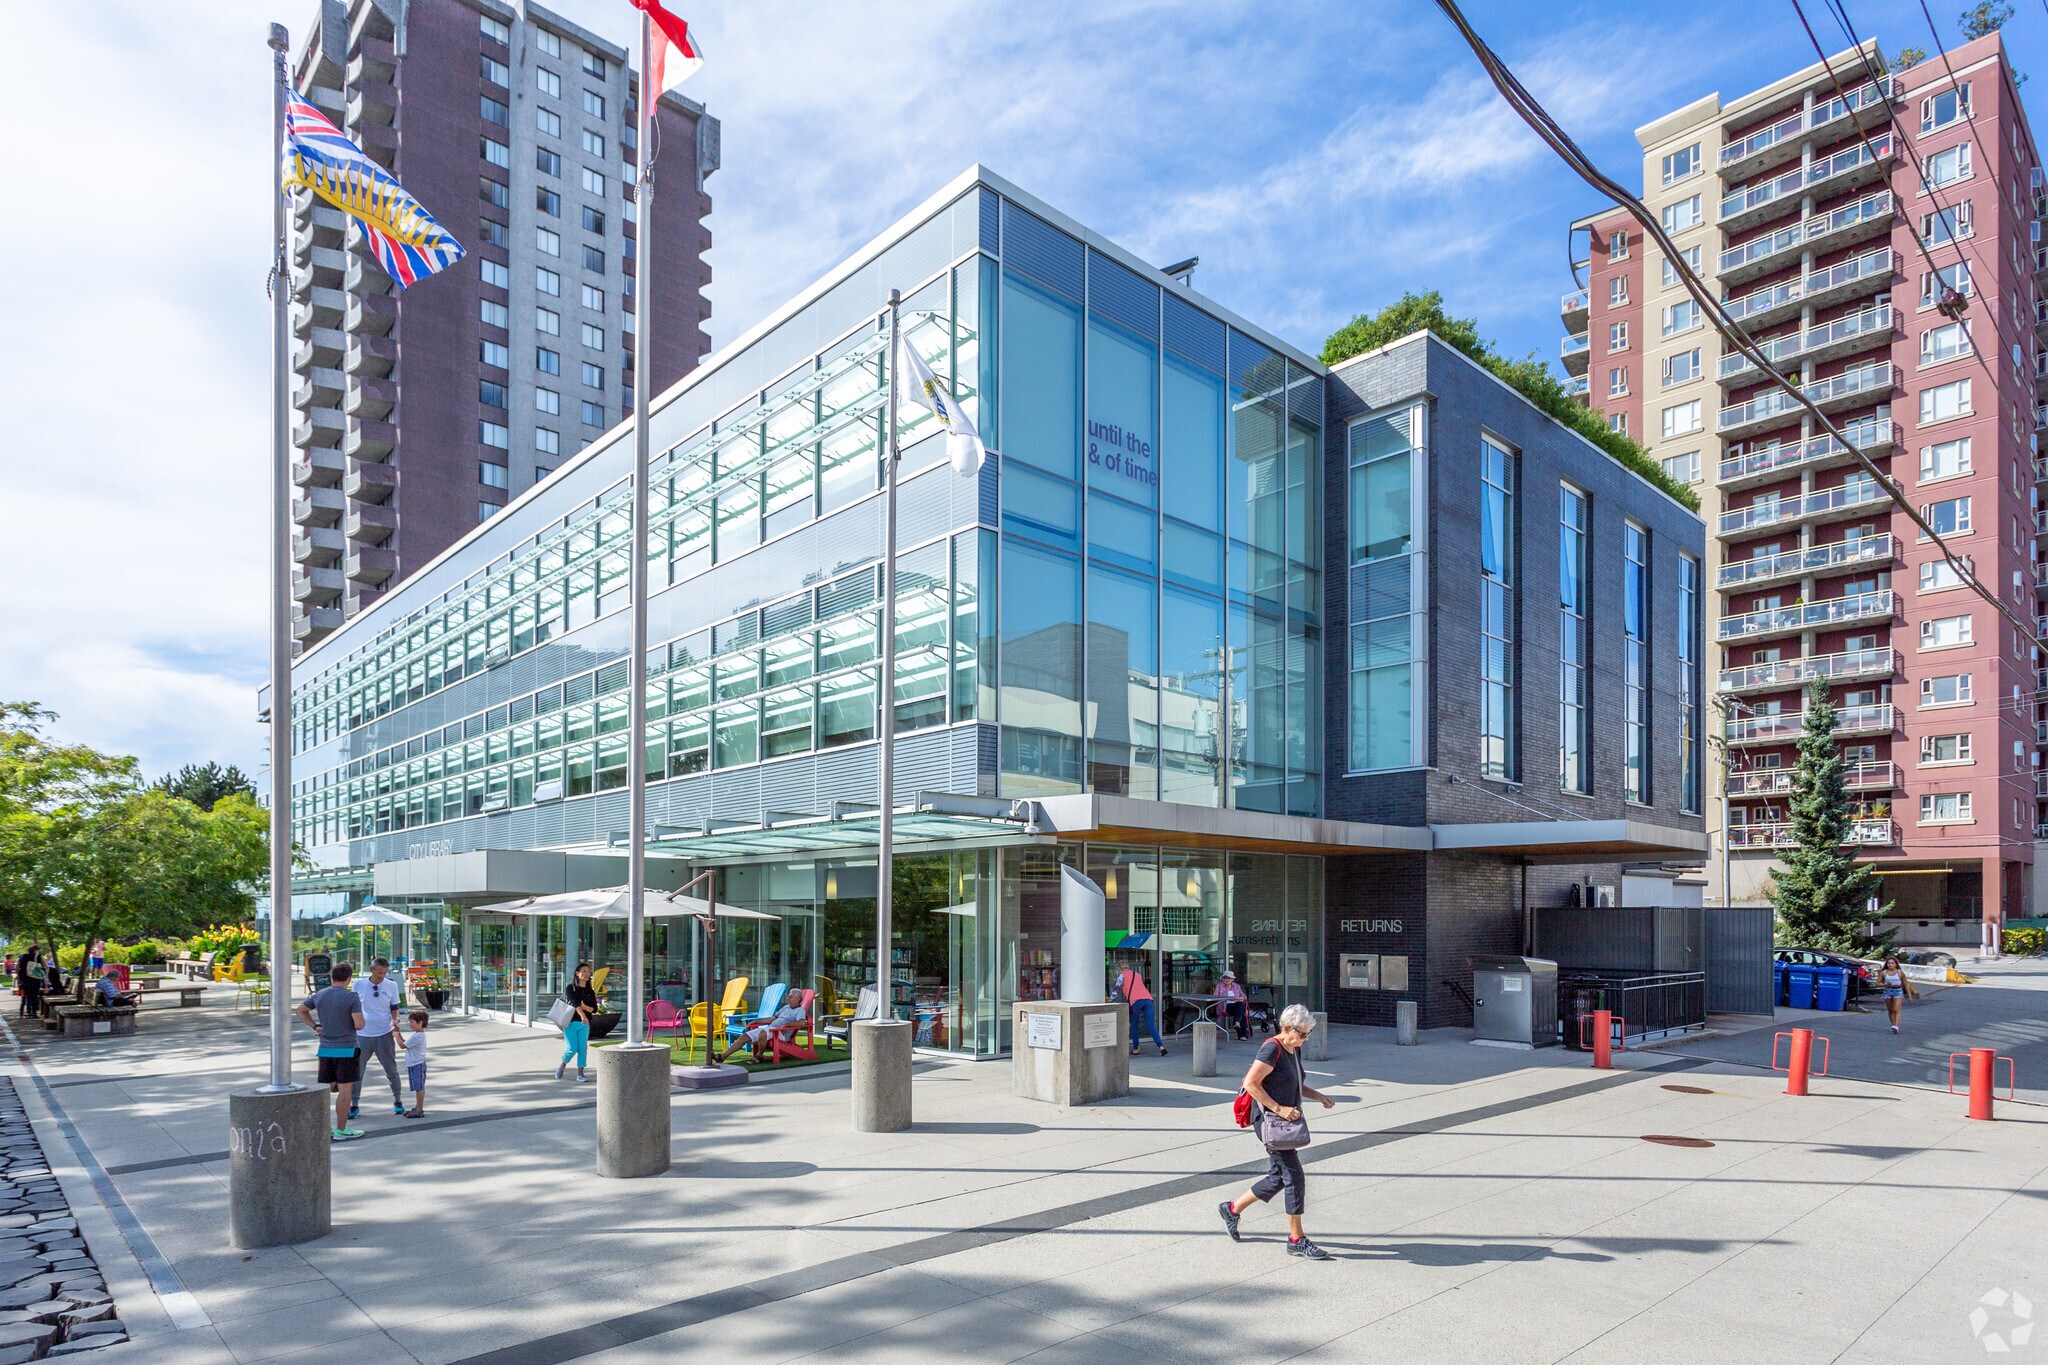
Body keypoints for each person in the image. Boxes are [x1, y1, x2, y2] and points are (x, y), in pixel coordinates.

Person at [1218, 1003, 1336, 1260]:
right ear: (1286, 1028)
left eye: (1307, 1035)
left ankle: (1232, 1208)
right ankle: (1296, 1240)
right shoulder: (1272, 1048)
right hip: (1270, 1123)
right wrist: (1279, 1108)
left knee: (1278, 1177)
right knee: (1294, 1177)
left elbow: (1295, 1082)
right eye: (1302, 1034)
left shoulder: (1293, 1049)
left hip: (1284, 1122)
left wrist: (1319, 1096)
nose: (1304, 1040)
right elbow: (1251, 1083)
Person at [296, 962, 368, 1141]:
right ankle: (341, 1130)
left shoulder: (320, 994)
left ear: (331, 977)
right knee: (345, 1090)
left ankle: (324, 1128)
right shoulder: (351, 997)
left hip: (325, 1049)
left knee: (325, 1090)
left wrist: (316, 1025)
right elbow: (359, 1024)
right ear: (349, 979)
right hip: (347, 1049)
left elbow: (300, 1010)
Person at [350, 957, 405, 1120]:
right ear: (371, 969)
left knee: (391, 1069)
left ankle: (398, 1100)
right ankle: (354, 1104)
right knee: (357, 1071)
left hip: (384, 1032)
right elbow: (352, 1007)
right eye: (379, 972)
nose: (381, 976)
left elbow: (394, 1007)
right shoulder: (359, 984)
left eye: (384, 973)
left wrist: (396, 1020)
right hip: (362, 1034)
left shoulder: (391, 985)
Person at [717, 996, 810, 1064]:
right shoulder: (786, 1008)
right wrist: (756, 1021)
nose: (787, 998)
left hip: (781, 1033)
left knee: (762, 1032)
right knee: (745, 1036)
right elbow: (771, 1019)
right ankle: (723, 1056)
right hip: (770, 1029)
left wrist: (787, 1025)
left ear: (798, 999)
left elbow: (802, 1023)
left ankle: (759, 1055)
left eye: (790, 997)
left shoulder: (800, 1010)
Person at [555, 962, 598, 1081]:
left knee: (583, 1048)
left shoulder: (590, 991)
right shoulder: (571, 988)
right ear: (577, 973)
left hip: (585, 1024)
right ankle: (562, 1065)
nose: (586, 974)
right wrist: (582, 1014)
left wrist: (587, 1009)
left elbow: (595, 1009)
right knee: (572, 1048)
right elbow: (574, 1003)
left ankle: (580, 1073)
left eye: (588, 971)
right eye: (583, 971)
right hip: (571, 1022)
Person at [1117, 958, 1167, 1058]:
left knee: (1134, 1025)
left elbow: (1115, 991)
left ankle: (1136, 1049)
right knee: (1151, 1025)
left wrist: (1109, 1002)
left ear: (1120, 969)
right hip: (1148, 999)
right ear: (1128, 967)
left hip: (1136, 1001)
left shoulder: (1121, 976)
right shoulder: (1137, 974)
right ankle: (1161, 1046)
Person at [1878, 955, 1918, 1035]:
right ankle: (1893, 1026)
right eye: (1888, 963)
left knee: (1896, 1009)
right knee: (1890, 1010)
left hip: (1898, 991)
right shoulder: (1884, 972)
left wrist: (1909, 996)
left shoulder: (1900, 972)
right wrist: (1885, 985)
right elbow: (1877, 983)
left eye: (1892, 963)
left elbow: (1906, 984)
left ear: (1896, 964)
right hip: (1888, 991)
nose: (1890, 965)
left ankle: (1896, 1026)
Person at [401, 1010, 429, 1117]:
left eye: (412, 1022)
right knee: (418, 1087)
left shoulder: (417, 1036)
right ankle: (417, 1107)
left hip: (416, 1064)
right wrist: (397, 1033)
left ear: (420, 1022)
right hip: (415, 1064)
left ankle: (419, 1109)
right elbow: (406, 1043)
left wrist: (395, 1035)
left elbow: (402, 1046)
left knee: (419, 1088)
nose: (410, 1024)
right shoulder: (417, 1035)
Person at [1215, 969, 1250, 1041]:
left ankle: (1237, 1023)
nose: (1227, 979)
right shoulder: (1219, 986)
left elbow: (1244, 997)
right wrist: (1229, 998)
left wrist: (1240, 998)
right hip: (1225, 1006)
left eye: (1229, 978)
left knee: (1240, 1006)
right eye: (1225, 978)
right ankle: (1242, 1034)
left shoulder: (1237, 986)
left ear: (1232, 979)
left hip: (1236, 1006)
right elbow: (1215, 997)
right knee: (1241, 1009)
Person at [14, 947, 41, 1020]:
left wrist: (19, 978)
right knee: (34, 996)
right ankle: (34, 1012)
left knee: (27, 995)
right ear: (35, 950)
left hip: (25, 978)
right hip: (36, 978)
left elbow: (16, 968)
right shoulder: (39, 957)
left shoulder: (22, 957)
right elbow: (46, 966)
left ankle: (27, 1011)